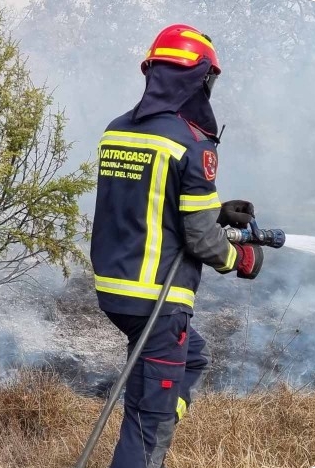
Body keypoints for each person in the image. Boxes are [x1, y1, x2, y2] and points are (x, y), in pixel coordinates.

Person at [90, 24, 263, 468]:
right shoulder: (191, 142)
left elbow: (147, 201)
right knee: (148, 428)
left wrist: (215, 210)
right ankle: (151, 425)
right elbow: (202, 241)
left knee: (193, 359)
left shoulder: (116, 131)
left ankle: (156, 410)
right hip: (158, 302)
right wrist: (240, 258)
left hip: (115, 292)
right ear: (198, 78)